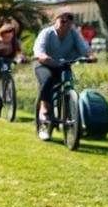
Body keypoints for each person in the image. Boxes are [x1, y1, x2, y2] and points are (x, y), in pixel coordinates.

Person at [32, 11, 96, 141]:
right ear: (55, 20)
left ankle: (75, 120)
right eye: (63, 21)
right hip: (44, 64)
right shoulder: (47, 33)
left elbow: (84, 48)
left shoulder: (73, 34)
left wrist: (90, 56)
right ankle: (44, 113)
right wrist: (42, 55)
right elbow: (39, 48)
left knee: (70, 86)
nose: (66, 24)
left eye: (70, 21)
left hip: (63, 64)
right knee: (48, 81)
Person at [0, 22, 26, 116]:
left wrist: (22, 58)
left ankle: (8, 93)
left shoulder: (15, 42)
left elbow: (20, 52)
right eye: (7, 32)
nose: (9, 35)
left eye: (11, 32)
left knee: (8, 73)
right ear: (3, 33)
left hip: (8, 60)